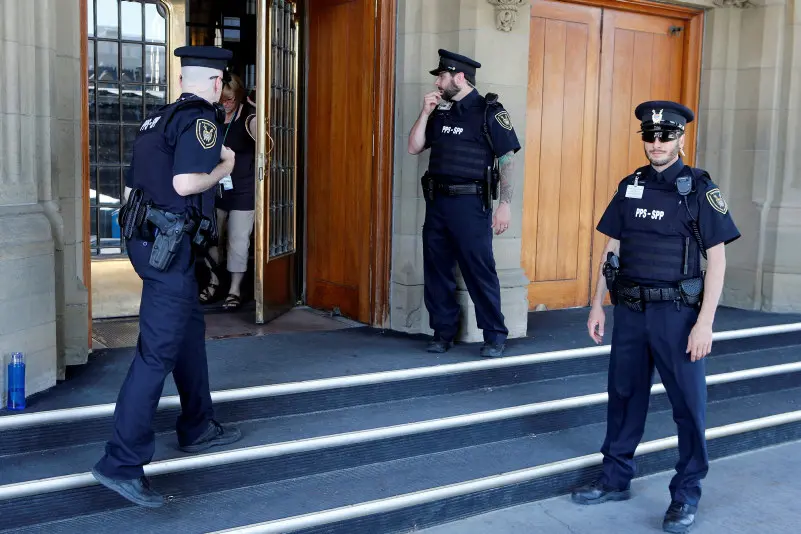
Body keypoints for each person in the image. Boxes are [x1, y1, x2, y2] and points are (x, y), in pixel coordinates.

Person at [570, 101, 741, 533]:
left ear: (681, 139)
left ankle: (685, 496)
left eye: (666, 136)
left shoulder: (699, 189)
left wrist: (705, 323)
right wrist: (597, 303)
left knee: (688, 407)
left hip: (678, 316)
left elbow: (717, 261)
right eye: (650, 136)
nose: (657, 143)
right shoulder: (630, 185)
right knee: (624, 397)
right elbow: (612, 248)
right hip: (630, 311)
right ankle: (614, 478)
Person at [92, 46, 244, 508]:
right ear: (217, 83)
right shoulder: (201, 119)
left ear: (181, 79)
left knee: (188, 333)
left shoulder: (156, 119)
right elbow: (185, 183)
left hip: (150, 243)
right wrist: (226, 165)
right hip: (169, 249)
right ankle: (120, 462)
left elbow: (139, 183)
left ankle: (197, 425)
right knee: (155, 354)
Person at [407, 49, 521, 358]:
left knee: (479, 269)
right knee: (436, 270)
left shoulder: (489, 112)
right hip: (437, 204)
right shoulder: (440, 112)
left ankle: (495, 335)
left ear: (459, 78)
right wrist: (425, 113)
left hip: (471, 205)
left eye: (442, 76)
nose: (438, 83)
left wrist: (505, 204)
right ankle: (443, 332)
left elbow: (507, 160)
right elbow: (414, 147)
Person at [199, 72, 257, 310]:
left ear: (239, 96)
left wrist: (262, 111)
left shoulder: (248, 116)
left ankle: (234, 290)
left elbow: (266, 138)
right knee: (212, 239)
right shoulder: (212, 116)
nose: (225, 104)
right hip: (216, 188)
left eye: (230, 99)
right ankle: (214, 283)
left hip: (244, 190)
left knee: (238, 240)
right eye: (221, 99)